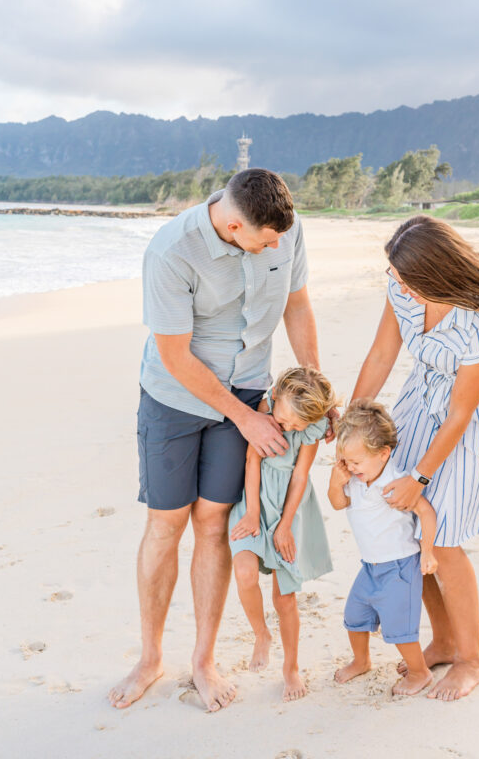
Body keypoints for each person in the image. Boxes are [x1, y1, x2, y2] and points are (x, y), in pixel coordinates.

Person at [109, 169, 337, 713]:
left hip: (252, 388)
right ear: (233, 224)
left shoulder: (285, 228)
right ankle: (149, 659)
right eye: (265, 240)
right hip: (176, 397)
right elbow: (174, 356)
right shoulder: (172, 252)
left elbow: (297, 305)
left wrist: (316, 393)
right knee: (166, 524)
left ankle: (203, 661)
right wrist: (246, 420)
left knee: (214, 522)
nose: (277, 246)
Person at [351, 215, 479, 702]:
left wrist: (421, 477)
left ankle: (473, 660)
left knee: (443, 540)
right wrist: (353, 424)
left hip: (474, 424)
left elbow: (461, 414)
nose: (397, 284)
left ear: (437, 274)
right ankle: (445, 639)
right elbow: (381, 356)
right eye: (394, 274)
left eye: (405, 277)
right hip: (419, 403)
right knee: (409, 530)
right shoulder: (402, 293)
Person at [229, 366, 336, 701]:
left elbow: (301, 476)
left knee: (284, 597)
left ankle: (291, 667)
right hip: (255, 501)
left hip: (289, 506)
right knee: (244, 572)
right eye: (286, 420)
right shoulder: (265, 411)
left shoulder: (311, 429)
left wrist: (285, 526)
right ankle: (261, 634)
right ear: (274, 398)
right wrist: (252, 514)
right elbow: (251, 462)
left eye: (294, 427)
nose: (287, 428)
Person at [328, 399, 438, 697]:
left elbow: (426, 513)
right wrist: (335, 482)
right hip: (371, 566)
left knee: (400, 629)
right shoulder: (354, 478)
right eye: (346, 462)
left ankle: (419, 672)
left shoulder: (393, 482)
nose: (351, 467)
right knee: (354, 616)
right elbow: (338, 504)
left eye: (356, 462)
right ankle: (361, 661)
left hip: (400, 566)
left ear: (383, 454)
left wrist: (428, 552)